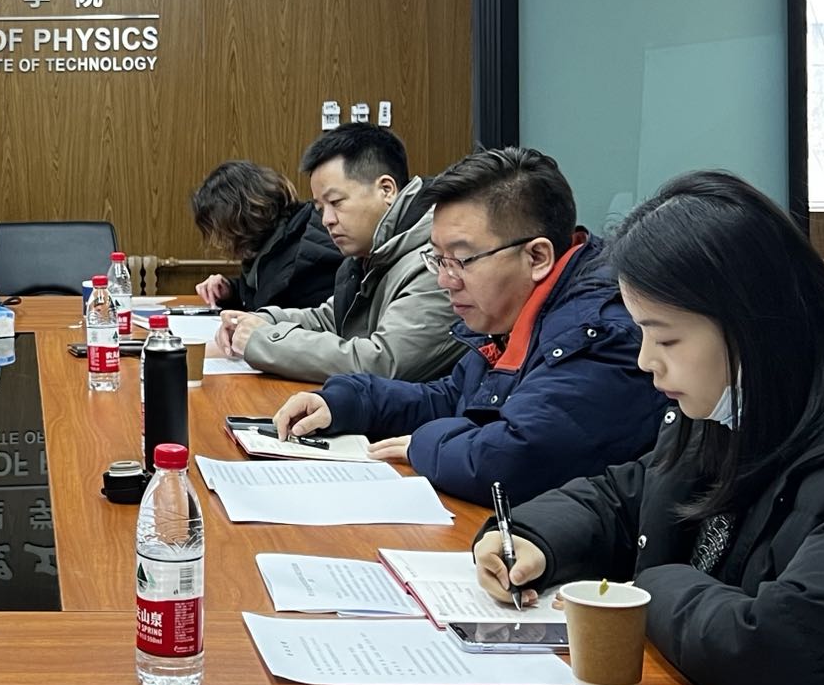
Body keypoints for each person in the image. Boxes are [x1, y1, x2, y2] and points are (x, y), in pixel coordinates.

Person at [473, 172, 824, 685]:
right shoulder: (737, 405)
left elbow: (781, 647)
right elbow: (629, 494)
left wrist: (648, 590)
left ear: (754, 325)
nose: (646, 361)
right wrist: (535, 538)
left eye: (667, 338)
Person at [274, 146, 663, 504]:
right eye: (438, 259)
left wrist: (422, 445)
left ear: (537, 257)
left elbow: (511, 461)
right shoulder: (514, 313)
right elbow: (454, 398)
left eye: (461, 260)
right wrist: (351, 401)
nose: (445, 280)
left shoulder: (601, 335)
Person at [213, 124, 463, 383]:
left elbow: (383, 363)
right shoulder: (367, 255)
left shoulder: (435, 262)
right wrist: (264, 320)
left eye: (336, 202)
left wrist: (265, 340)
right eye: (320, 208)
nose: (326, 220)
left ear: (386, 190)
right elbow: (331, 320)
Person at [191, 160, 340, 313]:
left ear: (241, 220)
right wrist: (230, 291)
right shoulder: (278, 240)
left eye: (221, 231)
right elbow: (261, 293)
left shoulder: (307, 257)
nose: (218, 242)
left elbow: (283, 310)